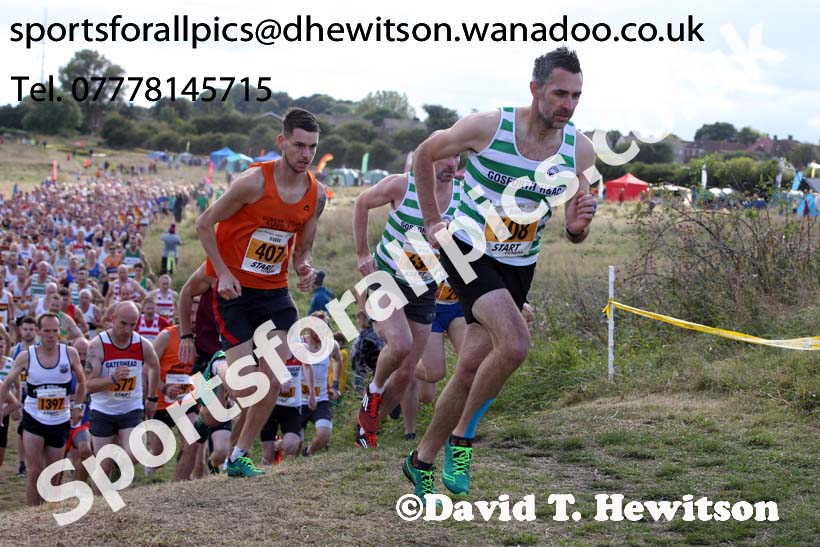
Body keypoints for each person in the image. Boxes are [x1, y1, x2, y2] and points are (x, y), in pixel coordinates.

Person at [404, 47, 596, 500]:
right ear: (535, 90)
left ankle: (421, 461)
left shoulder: (578, 149)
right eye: (560, 94)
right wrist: (433, 220)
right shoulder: (489, 127)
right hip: (466, 248)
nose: (568, 105)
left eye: (576, 96)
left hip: (519, 263)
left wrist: (575, 228)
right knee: (515, 344)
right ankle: (463, 440)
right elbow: (425, 154)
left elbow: (576, 221)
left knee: (470, 367)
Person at [196, 107, 326, 478]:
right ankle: (217, 370)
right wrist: (221, 274)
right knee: (245, 383)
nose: (305, 154)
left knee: (274, 378)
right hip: (235, 293)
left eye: (312, 147)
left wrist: (304, 269)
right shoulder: (253, 182)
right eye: (299, 145)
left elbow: (303, 250)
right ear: (281, 142)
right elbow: (205, 224)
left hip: (274, 295)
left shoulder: (315, 194)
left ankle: (238, 455)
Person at [352, 139, 460, 448]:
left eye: (456, 156)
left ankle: (367, 431)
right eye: (444, 156)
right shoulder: (402, 185)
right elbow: (361, 203)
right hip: (387, 277)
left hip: (424, 286)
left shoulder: (461, 198)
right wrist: (362, 253)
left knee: (405, 374)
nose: (451, 163)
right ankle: (373, 392)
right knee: (400, 345)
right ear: (427, 159)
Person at [0, 313, 86, 505]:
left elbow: (81, 381)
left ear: (60, 332)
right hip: (34, 419)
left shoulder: (69, 354)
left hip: (60, 420)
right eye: (46, 331)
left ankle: (47, 514)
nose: (51, 335)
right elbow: (6, 384)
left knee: (54, 474)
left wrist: (78, 406)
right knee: (36, 470)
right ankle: (32, 515)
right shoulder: (26, 356)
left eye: (55, 331)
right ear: (39, 332)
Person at [85, 301, 160, 479]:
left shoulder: (142, 344)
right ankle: (99, 502)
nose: (127, 330)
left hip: (131, 409)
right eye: (123, 324)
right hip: (103, 410)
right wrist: (112, 379)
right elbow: (89, 385)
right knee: (102, 469)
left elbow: (154, 366)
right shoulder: (98, 346)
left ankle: (119, 468)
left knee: (136, 453)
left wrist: (152, 398)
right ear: (113, 319)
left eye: (132, 325)